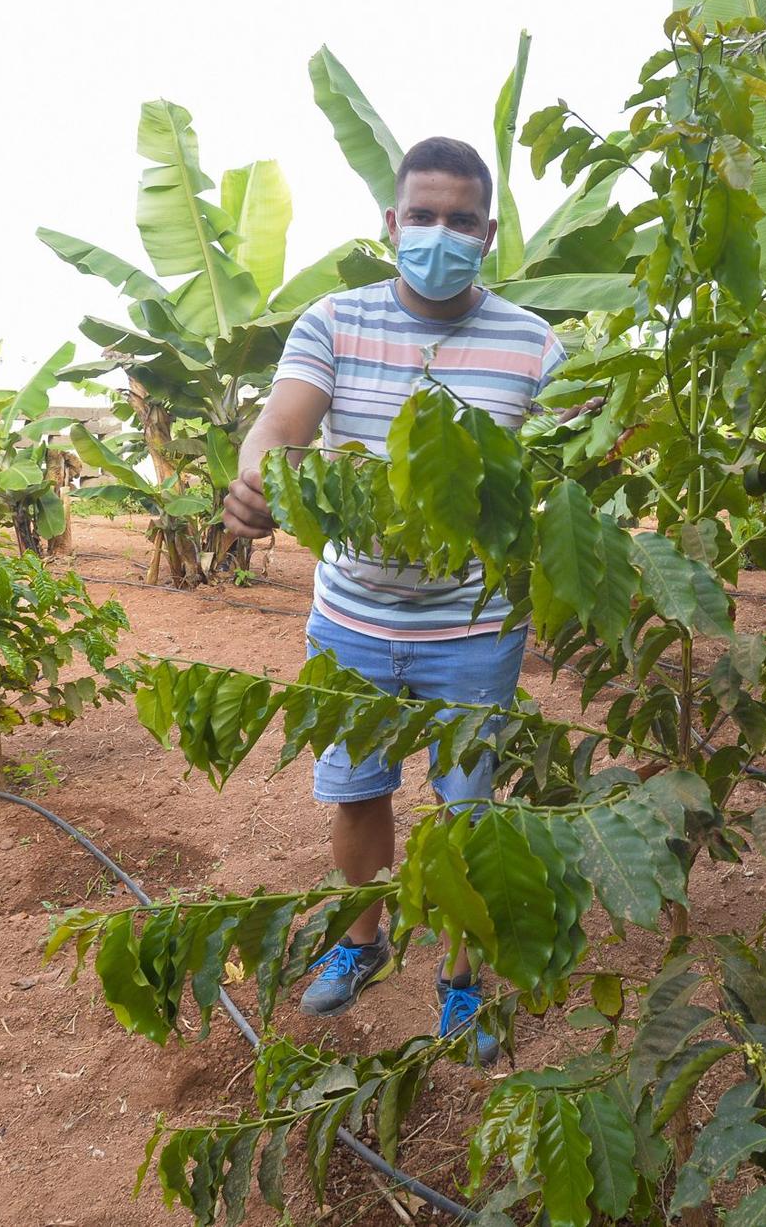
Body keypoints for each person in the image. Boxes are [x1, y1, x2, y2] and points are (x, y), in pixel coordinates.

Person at [222, 136, 562, 1065]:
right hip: (352, 618)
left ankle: (459, 976)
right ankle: (363, 937)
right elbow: (279, 422)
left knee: (468, 815)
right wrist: (256, 476)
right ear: (392, 224)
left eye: (460, 221)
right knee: (357, 789)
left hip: (474, 626)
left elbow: (582, 459)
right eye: (423, 217)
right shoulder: (333, 322)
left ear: (487, 233)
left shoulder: (533, 345)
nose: (439, 235)